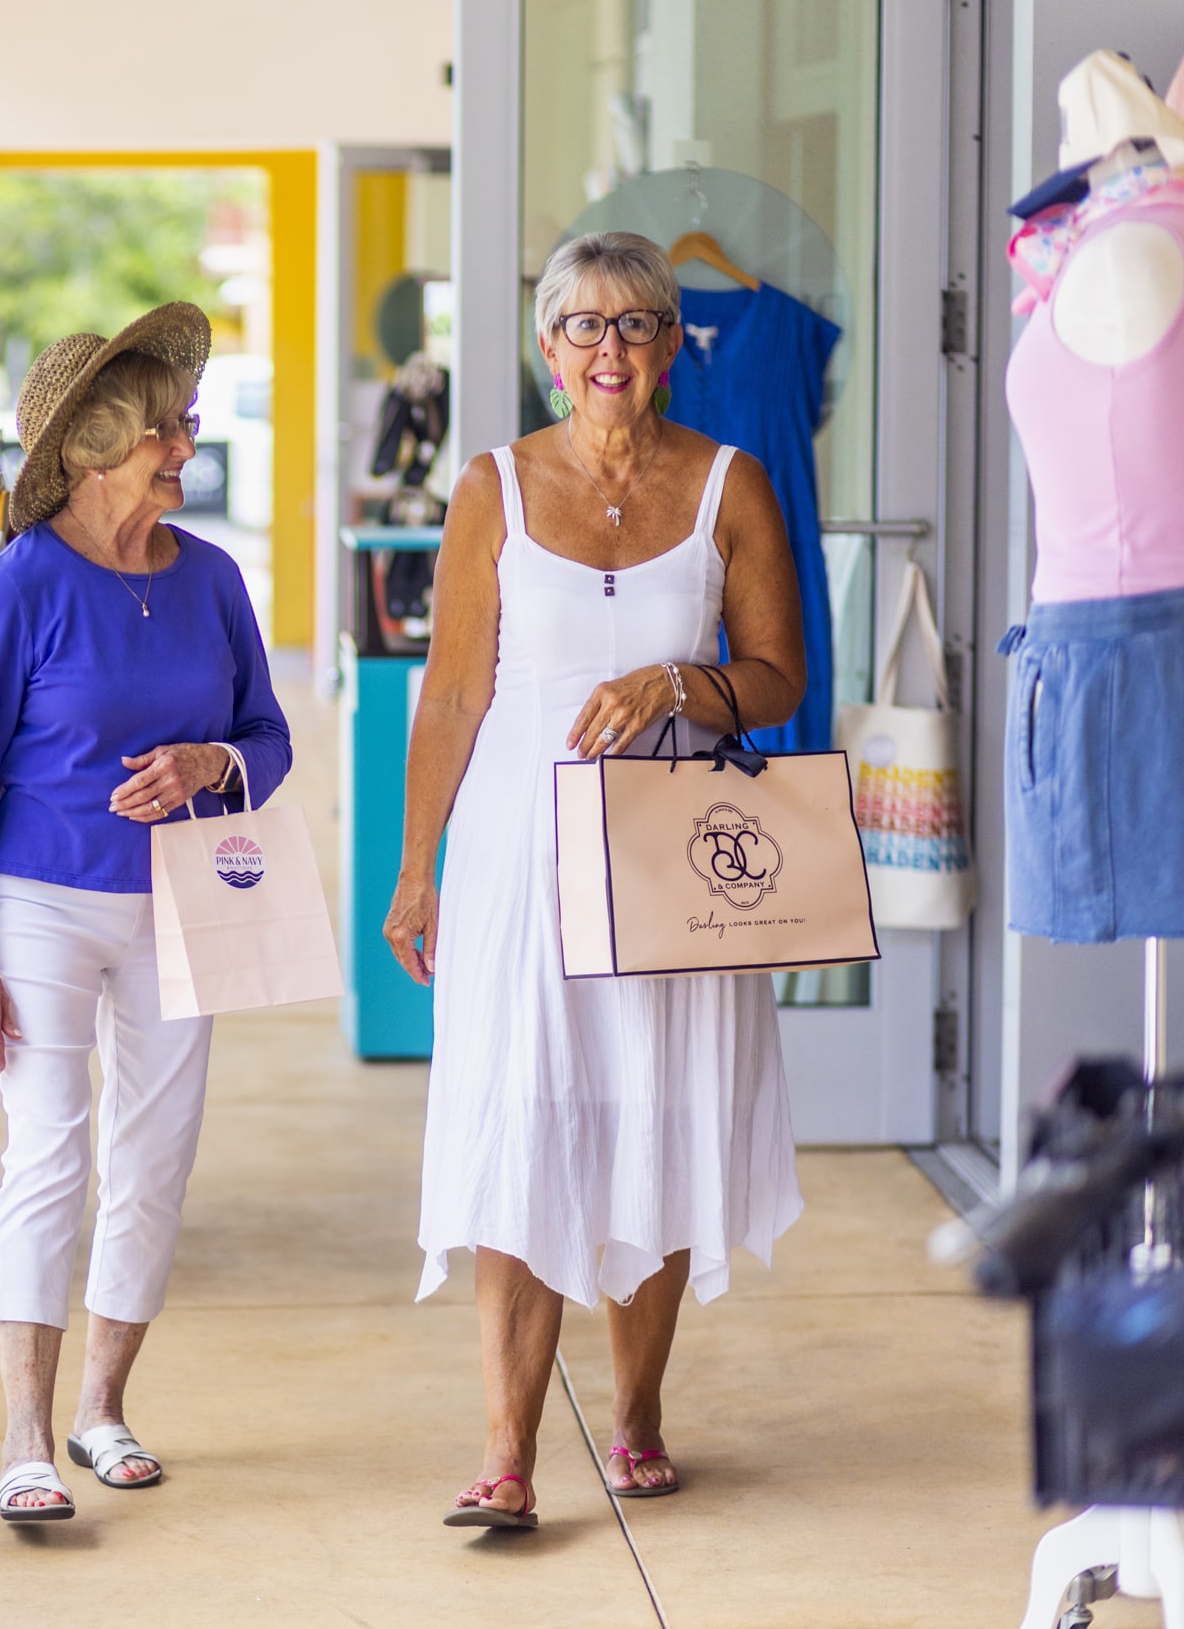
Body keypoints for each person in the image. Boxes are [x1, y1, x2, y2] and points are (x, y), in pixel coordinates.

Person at [383, 232, 808, 1529]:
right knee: (523, 1119)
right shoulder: (490, 487)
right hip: (520, 850)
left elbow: (780, 677)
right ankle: (506, 1455)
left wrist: (681, 682)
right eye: (582, 325)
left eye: (635, 325)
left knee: (656, 1112)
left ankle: (634, 1415)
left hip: (670, 855)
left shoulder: (730, 483)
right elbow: (453, 690)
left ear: (673, 346)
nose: (608, 349)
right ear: (545, 348)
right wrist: (415, 870)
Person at [0, 303, 293, 1524]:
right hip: (39, 903)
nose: (186, 446)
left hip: (184, 905)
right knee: (49, 1152)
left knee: (152, 1163)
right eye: (168, 428)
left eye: (185, 425)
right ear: (96, 444)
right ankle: (23, 1438)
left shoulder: (210, 578)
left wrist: (209, 764)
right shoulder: (26, 580)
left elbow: (270, 739)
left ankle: (102, 1409)